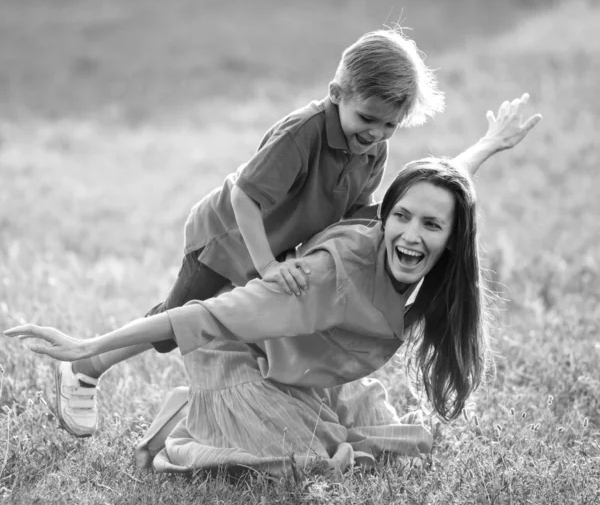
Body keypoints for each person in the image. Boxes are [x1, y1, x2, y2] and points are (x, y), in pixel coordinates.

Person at [5, 99, 541, 478]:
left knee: (369, 440)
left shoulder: (398, 221)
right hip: (243, 332)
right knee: (312, 460)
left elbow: (440, 187)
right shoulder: (327, 273)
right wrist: (88, 348)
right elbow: (204, 315)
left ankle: (209, 398)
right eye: (402, 217)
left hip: (292, 357)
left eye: (431, 226)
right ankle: (190, 415)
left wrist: (489, 145)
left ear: (454, 237)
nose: (412, 231)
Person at [50, 27, 447, 438]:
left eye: (390, 125)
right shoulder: (302, 132)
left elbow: (347, 216)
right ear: (336, 93)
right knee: (181, 320)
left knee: (256, 327)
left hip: (276, 246)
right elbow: (244, 198)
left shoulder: (372, 149)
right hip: (227, 238)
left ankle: (247, 402)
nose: (377, 133)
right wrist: (267, 265)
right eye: (367, 118)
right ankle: (84, 366)